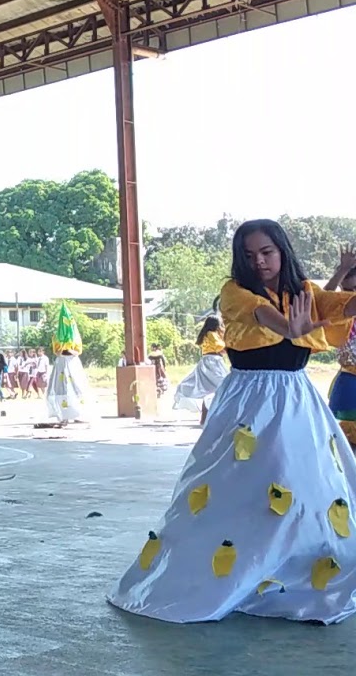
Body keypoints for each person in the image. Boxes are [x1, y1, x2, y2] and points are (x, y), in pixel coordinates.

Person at [108, 219, 356, 624]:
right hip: (250, 403)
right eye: (249, 254)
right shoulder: (234, 292)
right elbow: (268, 319)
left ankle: (289, 571)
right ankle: (237, 571)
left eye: (267, 252)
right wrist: (294, 327)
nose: (259, 262)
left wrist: (329, 301)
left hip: (296, 398)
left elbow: (339, 306)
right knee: (238, 486)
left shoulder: (303, 292)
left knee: (305, 484)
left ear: (282, 251)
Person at [172, 315, 229, 425]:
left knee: (213, 389)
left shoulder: (207, 334)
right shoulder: (212, 334)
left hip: (208, 362)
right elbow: (221, 348)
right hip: (213, 363)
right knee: (223, 385)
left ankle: (205, 417)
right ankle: (211, 416)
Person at [326, 245, 356, 447]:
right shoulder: (339, 310)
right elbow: (321, 299)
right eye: (346, 290)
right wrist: (342, 270)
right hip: (349, 385)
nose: (351, 296)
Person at [45, 304, 91, 425]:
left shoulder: (75, 336)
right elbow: (56, 351)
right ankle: (63, 415)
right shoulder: (57, 336)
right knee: (61, 387)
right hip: (61, 363)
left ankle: (78, 414)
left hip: (72, 363)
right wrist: (61, 350)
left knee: (76, 386)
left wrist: (70, 350)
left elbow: (78, 351)